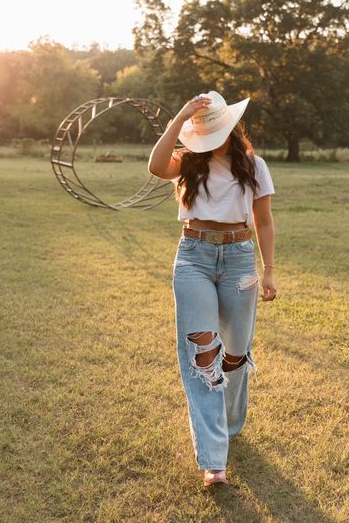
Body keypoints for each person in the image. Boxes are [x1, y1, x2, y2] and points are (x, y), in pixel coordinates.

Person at [148, 90, 276, 487]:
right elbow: (155, 166)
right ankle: (213, 460)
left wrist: (269, 270)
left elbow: (265, 222)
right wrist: (181, 116)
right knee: (202, 355)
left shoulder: (254, 165)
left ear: (231, 127)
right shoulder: (187, 161)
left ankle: (230, 423)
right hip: (193, 258)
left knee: (235, 353)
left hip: (239, 259)